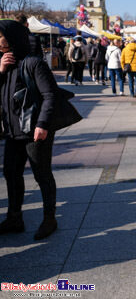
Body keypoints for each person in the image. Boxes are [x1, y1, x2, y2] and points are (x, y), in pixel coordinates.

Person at [0, 20, 59, 240]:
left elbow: (50, 95)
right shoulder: (5, 63)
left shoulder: (33, 63)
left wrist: (42, 124)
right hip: (12, 131)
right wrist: (1, 70)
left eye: (0, 36)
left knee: (41, 174)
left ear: (12, 37)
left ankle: (49, 218)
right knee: (11, 173)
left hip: (34, 130)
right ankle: (14, 217)